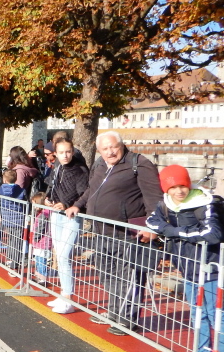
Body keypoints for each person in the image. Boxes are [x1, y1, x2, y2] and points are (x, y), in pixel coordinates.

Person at [65, 131, 162, 335]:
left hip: (127, 233)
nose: (110, 152)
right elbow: (92, 189)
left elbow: (154, 199)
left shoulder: (139, 164)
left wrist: (151, 228)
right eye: (105, 149)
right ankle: (113, 312)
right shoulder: (100, 164)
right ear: (99, 150)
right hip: (101, 231)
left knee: (128, 277)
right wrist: (78, 205)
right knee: (107, 274)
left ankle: (127, 320)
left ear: (122, 145)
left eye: (113, 147)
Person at [145, 165, 224, 352]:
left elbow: (213, 233)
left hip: (211, 268)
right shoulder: (166, 204)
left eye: (182, 185)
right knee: (198, 315)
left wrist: (176, 232)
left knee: (216, 316)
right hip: (187, 269)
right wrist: (175, 231)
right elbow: (151, 221)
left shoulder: (205, 203)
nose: (179, 191)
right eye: (173, 187)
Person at [43, 137, 89, 315]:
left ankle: (68, 299)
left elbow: (83, 193)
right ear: (55, 153)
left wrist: (68, 204)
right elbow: (52, 185)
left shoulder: (80, 170)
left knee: (64, 256)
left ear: (73, 151)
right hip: (56, 215)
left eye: (68, 152)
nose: (65, 155)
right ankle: (63, 294)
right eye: (61, 152)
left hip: (71, 216)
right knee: (60, 255)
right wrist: (48, 198)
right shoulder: (58, 168)